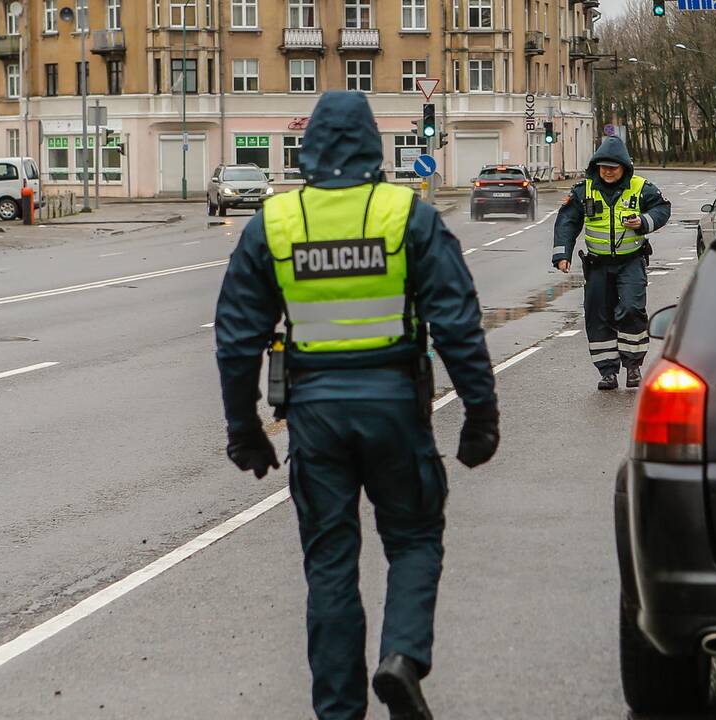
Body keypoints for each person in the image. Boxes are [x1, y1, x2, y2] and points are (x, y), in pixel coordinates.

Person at [214, 91, 500, 720]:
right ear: (372, 145)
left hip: (315, 417)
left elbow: (236, 336)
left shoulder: (277, 222)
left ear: (308, 149)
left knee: (330, 563)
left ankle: (339, 712)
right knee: (416, 537)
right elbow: (456, 319)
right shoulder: (406, 214)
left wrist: (246, 430)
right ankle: (401, 657)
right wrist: (480, 411)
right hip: (395, 406)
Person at [551, 136, 672, 390]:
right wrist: (562, 255)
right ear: (596, 167)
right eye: (603, 167)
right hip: (597, 266)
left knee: (631, 309)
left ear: (624, 168)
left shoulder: (641, 188)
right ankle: (607, 372)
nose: (607, 172)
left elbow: (661, 209)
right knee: (598, 316)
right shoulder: (584, 190)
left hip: (631, 262)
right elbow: (567, 221)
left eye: (613, 168)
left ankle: (633, 367)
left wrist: (643, 221)